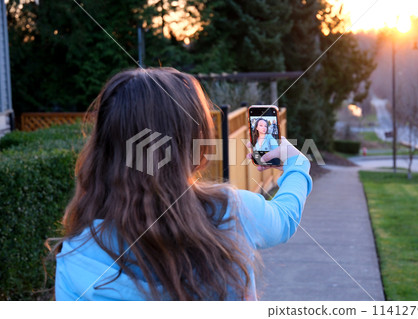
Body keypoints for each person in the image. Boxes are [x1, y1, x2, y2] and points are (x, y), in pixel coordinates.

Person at [54, 67, 313, 301]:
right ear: (194, 143)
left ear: (105, 148)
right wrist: (297, 164)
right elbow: (285, 217)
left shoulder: (75, 255)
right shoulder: (231, 211)